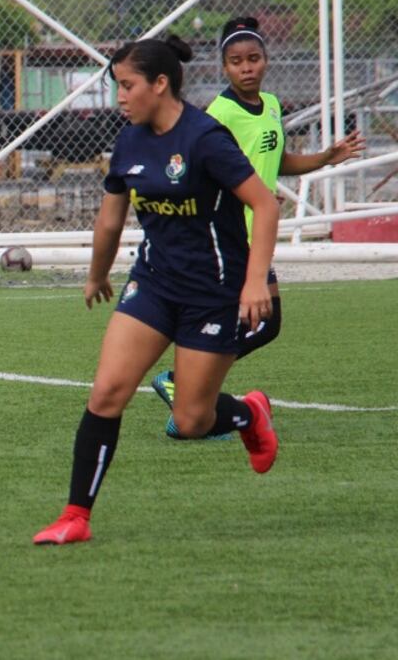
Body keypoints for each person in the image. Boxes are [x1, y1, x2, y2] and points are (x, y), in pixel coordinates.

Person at [34, 35, 280, 546]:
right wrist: (98, 275)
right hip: (153, 284)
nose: (120, 97)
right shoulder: (129, 141)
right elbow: (109, 221)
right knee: (106, 394)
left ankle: (249, 413)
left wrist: (255, 281)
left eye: (127, 86)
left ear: (160, 83)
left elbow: (266, 204)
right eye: (116, 86)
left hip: (213, 293)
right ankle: (75, 516)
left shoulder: (206, 137)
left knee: (190, 420)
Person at [152, 17, 365, 437]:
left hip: (258, 231)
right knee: (262, 322)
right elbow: (204, 169)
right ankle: (185, 384)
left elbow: (277, 159)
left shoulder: (269, 104)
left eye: (253, 58)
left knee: (257, 323)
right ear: (225, 68)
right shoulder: (219, 113)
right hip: (234, 235)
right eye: (236, 61)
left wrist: (325, 157)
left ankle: (190, 389)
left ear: (266, 60)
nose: (246, 67)